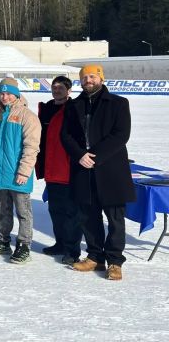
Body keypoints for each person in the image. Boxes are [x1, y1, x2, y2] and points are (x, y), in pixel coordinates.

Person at [61, 64, 134, 281]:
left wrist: (95, 156)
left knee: (115, 218)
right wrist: (79, 155)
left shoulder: (119, 103)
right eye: (84, 77)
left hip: (110, 170)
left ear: (100, 78)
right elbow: (66, 135)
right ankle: (95, 257)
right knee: (88, 216)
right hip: (83, 169)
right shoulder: (74, 105)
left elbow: (121, 135)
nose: (88, 80)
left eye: (92, 76)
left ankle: (114, 261)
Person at [0, 78, 41, 264]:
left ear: (16, 94)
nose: (4, 97)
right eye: (1, 93)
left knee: (23, 211)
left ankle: (24, 244)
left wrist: (24, 171)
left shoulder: (27, 116)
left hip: (18, 174)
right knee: (3, 209)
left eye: (8, 93)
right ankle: (2, 239)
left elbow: (31, 147)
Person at [37, 76, 82, 265]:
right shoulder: (46, 109)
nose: (57, 90)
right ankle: (60, 243)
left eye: (61, 87)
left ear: (69, 90)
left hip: (68, 168)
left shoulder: (74, 109)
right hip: (51, 168)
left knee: (71, 212)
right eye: (54, 87)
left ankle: (73, 250)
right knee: (55, 209)